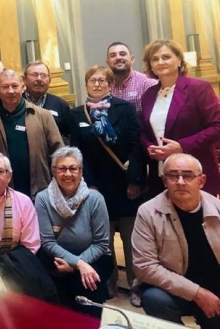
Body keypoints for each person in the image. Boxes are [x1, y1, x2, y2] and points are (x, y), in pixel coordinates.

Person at [71, 64, 145, 303]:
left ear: (110, 83)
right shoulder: (78, 114)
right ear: (86, 83)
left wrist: (134, 180)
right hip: (96, 187)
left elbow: (136, 146)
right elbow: (77, 152)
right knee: (103, 241)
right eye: (93, 80)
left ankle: (137, 285)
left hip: (126, 186)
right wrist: (89, 184)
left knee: (131, 240)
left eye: (103, 80)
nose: (98, 84)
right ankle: (109, 280)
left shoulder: (125, 108)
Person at [132, 154, 220, 329]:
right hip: (174, 290)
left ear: (201, 181)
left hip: (214, 286)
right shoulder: (147, 212)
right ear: (165, 181)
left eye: (188, 176)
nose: (180, 182)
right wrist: (197, 293)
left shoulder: (217, 209)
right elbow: (145, 266)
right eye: (173, 176)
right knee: (155, 299)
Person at [35, 147, 112, 318]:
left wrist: (75, 265)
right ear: (53, 171)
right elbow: (47, 242)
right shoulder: (43, 198)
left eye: (73, 168)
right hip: (55, 258)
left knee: (88, 287)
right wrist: (80, 265)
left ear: (81, 171)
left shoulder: (95, 198)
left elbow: (101, 244)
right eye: (62, 168)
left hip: (95, 257)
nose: (67, 173)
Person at [139, 39, 220, 196]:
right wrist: (150, 147)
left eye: (166, 57)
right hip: (161, 174)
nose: (160, 62)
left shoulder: (198, 88)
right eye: (155, 59)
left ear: (179, 60)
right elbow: (143, 130)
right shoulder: (148, 95)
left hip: (195, 171)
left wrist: (182, 146)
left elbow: (217, 127)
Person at [0, 70, 63, 199]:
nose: (11, 91)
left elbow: (59, 153)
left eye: (15, 86)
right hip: (4, 192)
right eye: (5, 87)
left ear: (23, 87)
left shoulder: (43, 116)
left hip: (42, 191)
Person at [23, 61, 72, 141]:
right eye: (34, 75)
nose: (39, 79)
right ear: (24, 79)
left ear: (49, 80)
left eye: (43, 75)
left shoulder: (61, 105)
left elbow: (69, 136)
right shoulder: (16, 102)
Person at [106, 41, 156, 114]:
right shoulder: (104, 85)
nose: (118, 57)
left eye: (122, 54)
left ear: (132, 59)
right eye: (113, 55)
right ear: (108, 62)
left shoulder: (148, 84)